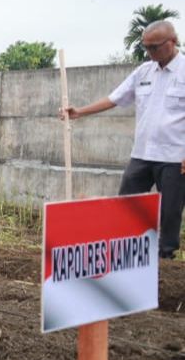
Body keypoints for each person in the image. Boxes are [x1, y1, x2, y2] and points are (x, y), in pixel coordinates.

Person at [62, 20, 183, 260]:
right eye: (146, 47)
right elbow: (115, 98)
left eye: (154, 47)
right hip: (142, 154)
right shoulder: (144, 71)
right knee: (127, 201)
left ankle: (165, 258)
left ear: (172, 42)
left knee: (170, 211)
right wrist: (80, 112)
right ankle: (125, 250)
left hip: (174, 157)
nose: (149, 53)